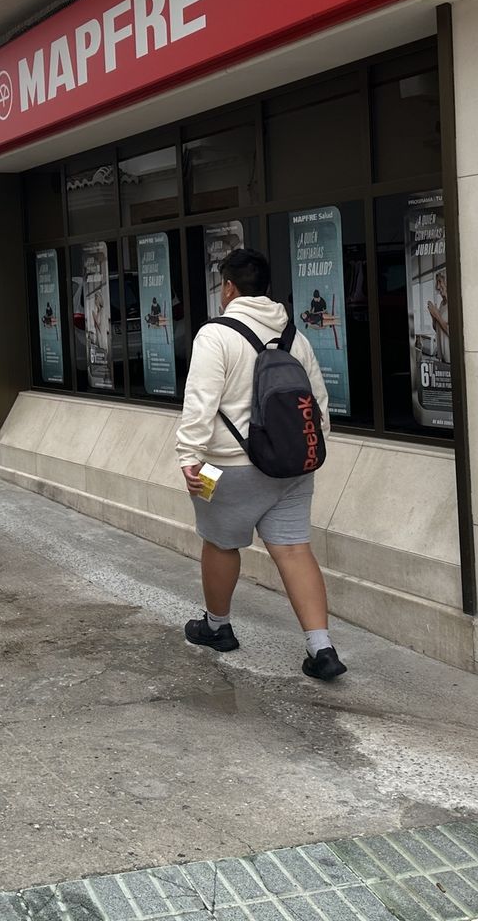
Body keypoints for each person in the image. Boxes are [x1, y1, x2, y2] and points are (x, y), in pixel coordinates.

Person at [174, 248, 347, 682]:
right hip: (292, 467)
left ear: (229, 287)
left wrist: (188, 455)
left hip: (226, 469)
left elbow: (201, 401)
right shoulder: (294, 336)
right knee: (293, 548)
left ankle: (217, 627)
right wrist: (306, 449)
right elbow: (318, 405)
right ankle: (321, 648)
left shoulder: (215, 335)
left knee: (220, 543)